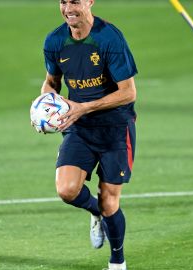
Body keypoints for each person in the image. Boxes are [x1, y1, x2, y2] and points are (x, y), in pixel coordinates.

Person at [39, 0, 137, 269]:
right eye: (63, 1)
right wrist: (45, 106)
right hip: (79, 127)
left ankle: (117, 261)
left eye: (75, 1)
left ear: (90, 2)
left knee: (109, 200)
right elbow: (51, 82)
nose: (68, 7)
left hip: (115, 128)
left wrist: (84, 107)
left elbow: (128, 92)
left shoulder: (109, 38)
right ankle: (96, 214)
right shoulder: (55, 40)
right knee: (67, 190)